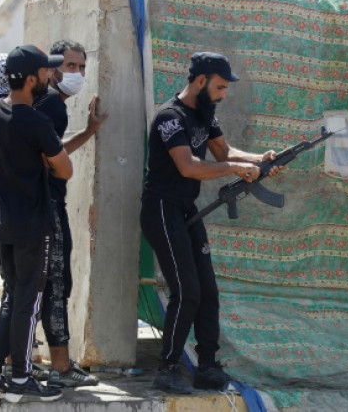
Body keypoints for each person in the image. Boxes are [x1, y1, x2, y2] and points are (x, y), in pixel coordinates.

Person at [141, 51, 281, 394]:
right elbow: (189, 166)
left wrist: (260, 159)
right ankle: (169, 367)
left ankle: (207, 366)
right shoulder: (170, 118)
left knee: (208, 291)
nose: (223, 94)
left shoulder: (205, 113)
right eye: (219, 87)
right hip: (161, 209)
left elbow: (223, 152)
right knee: (187, 291)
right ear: (200, 81)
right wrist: (236, 169)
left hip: (186, 208)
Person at [0, 45, 72, 403]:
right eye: (46, 72)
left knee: (10, 298)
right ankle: (20, 378)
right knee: (28, 303)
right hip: (32, 225)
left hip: (3, 223)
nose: (52, 77)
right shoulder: (35, 121)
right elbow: (66, 168)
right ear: (31, 79)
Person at [32, 39, 107, 387]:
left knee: (30, 285)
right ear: (51, 69)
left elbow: (54, 148)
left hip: (29, 206)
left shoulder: (38, 102)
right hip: (46, 205)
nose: (75, 73)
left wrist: (89, 131)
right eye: (69, 66)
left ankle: (14, 359)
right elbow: (53, 160)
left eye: (81, 67)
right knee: (58, 283)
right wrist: (64, 171)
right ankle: (61, 366)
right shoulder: (52, 105)